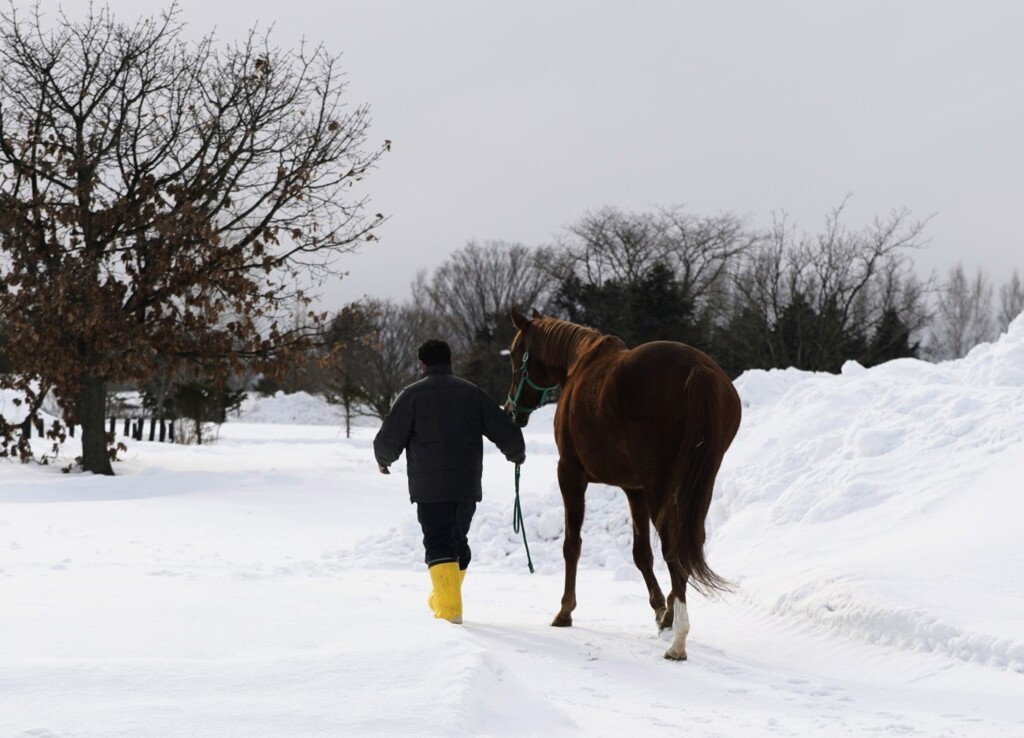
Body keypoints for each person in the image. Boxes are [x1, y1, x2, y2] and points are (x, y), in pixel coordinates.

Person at [373, 339, 526, 624]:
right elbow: (504, 428)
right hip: (466, 486)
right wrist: (516, 453)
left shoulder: (412, 395)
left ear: (422, 364)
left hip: (429, 488)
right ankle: (443, 598)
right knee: (457, 542)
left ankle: (450, 611)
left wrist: (384, 460)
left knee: (440, 542)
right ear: (450, 361)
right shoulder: (473, 393)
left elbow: (389, 437)